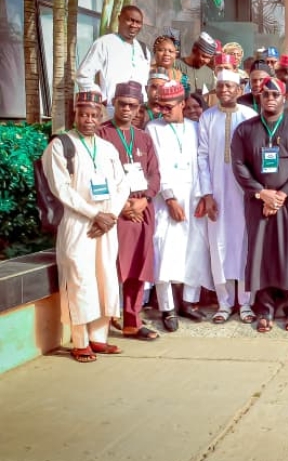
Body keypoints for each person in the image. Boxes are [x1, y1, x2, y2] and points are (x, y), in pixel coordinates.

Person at [45, 91, 130, 362]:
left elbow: (122, 184)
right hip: (78, 222)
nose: (88, 119)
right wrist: (94, 214)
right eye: (83, 114)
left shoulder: (107, 148)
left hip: (106, 223)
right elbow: (61, 188)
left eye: (93, 115)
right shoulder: (61, 146)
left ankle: (99, 338)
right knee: (79, 278)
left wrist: (110, 215)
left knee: (104, 276)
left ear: (101, 116)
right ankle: (80, 341)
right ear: (75, 114)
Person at [231, 77, 288, 333]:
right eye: (265, 94)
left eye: (275, 94)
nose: (270, 98)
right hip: (259, 204)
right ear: (259, 97)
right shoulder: (245, 130)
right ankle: (265, 308)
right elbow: (239, 165)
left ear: (284, 97)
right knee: (262, 255)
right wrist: (261, 193)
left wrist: (282, 195)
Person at [146, 80, 213, 331]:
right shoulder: (153, 128)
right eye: (160, 106)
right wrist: (170, 198)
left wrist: (203, 196)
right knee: (165, 249)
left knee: (194, 250)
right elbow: (157, 167)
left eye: (169, 107)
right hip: (166, 200)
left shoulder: (196, 128)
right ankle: (167, 308)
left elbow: (202, 163)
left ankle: (188, 303)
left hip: (194, 196)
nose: (163, 111)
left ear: (182, 104)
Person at [97, 82, 161, 341]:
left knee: (138, 267)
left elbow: (155, 174)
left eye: (132, 106)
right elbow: (98, 175)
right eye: (122, 104)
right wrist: (122, 205)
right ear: (114, 102)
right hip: (116, 212)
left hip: (142, 209)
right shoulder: (102, 134)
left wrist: (144, 200)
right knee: (112, 266)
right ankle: (105, 319)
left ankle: (132, 321)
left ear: (139, 107)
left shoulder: (143, 136)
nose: (127, 109)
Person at [196, 70, 258, 325]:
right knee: (218, 245)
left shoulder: (250, 116)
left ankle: (245, 303)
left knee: (244, 245)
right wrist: (207, 193)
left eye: (230, 86)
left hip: (244, 194)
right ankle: (224, 302)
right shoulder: (207, 117)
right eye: (221, 86)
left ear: (239, 88)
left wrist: (256, 191)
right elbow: (201, 156)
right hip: (217, 193)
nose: (224, 90)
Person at [75, 5, 151, 107]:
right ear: (119, 18)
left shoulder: (143, 49)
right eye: (130, 20)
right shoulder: (104, 43)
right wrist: (101, 97)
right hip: (113, 110)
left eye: (138, 22)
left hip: (139, 111)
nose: (134, 25)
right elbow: (83, 75)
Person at [174, 32, 218, 97]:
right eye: (204, 56)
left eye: (209, 58)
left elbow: (211, 97)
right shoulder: (176, 65)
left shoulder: (209, 73)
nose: (206, 61)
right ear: (195, 49)